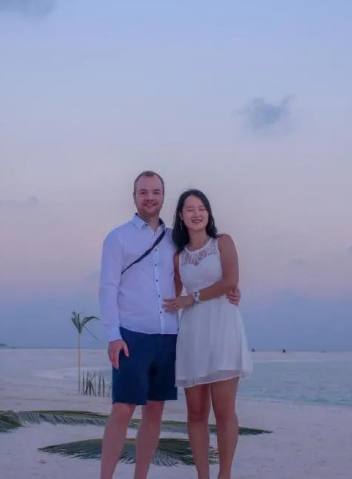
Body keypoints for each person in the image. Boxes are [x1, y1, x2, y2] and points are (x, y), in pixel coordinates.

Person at [98, 171, 240, 479]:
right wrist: (113, 335)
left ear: (163, 196)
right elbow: (107, 288)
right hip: (132, 335)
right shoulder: (118, 237)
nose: (150, 197)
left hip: (169, 336)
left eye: (156, 192)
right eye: (143, 192)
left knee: (155, 411)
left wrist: (231, 290)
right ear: (134, 196)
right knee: (122, 409)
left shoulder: (175, 240)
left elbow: (195, 278)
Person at [163, 188, 253, 479]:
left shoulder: (222, 242)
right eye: (190, 209)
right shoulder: (178, 257)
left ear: (208, 212)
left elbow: (230, 280)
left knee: (224, 411)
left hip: (223, 330)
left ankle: (224, 474)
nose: (196, 213)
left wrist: (194, 298)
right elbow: (172, 295)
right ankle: (202, 475)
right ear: (181, 215)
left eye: (201, 208)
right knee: (196, 412)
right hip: (193, 335)